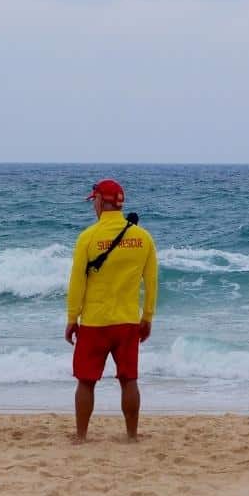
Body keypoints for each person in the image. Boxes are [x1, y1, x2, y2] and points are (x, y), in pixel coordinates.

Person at [65, 179, 158, 442]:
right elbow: (151, 283)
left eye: (93, 200)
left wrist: (72, 318)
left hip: (95, 322)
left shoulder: (87, 237)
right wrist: (147, 317)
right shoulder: (143, 238)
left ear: (101, 202)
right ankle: (131, 436)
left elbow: (77, 282)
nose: (93, 205)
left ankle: (81, 436)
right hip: (127, 321)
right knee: (129, 380)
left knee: (86, 381)